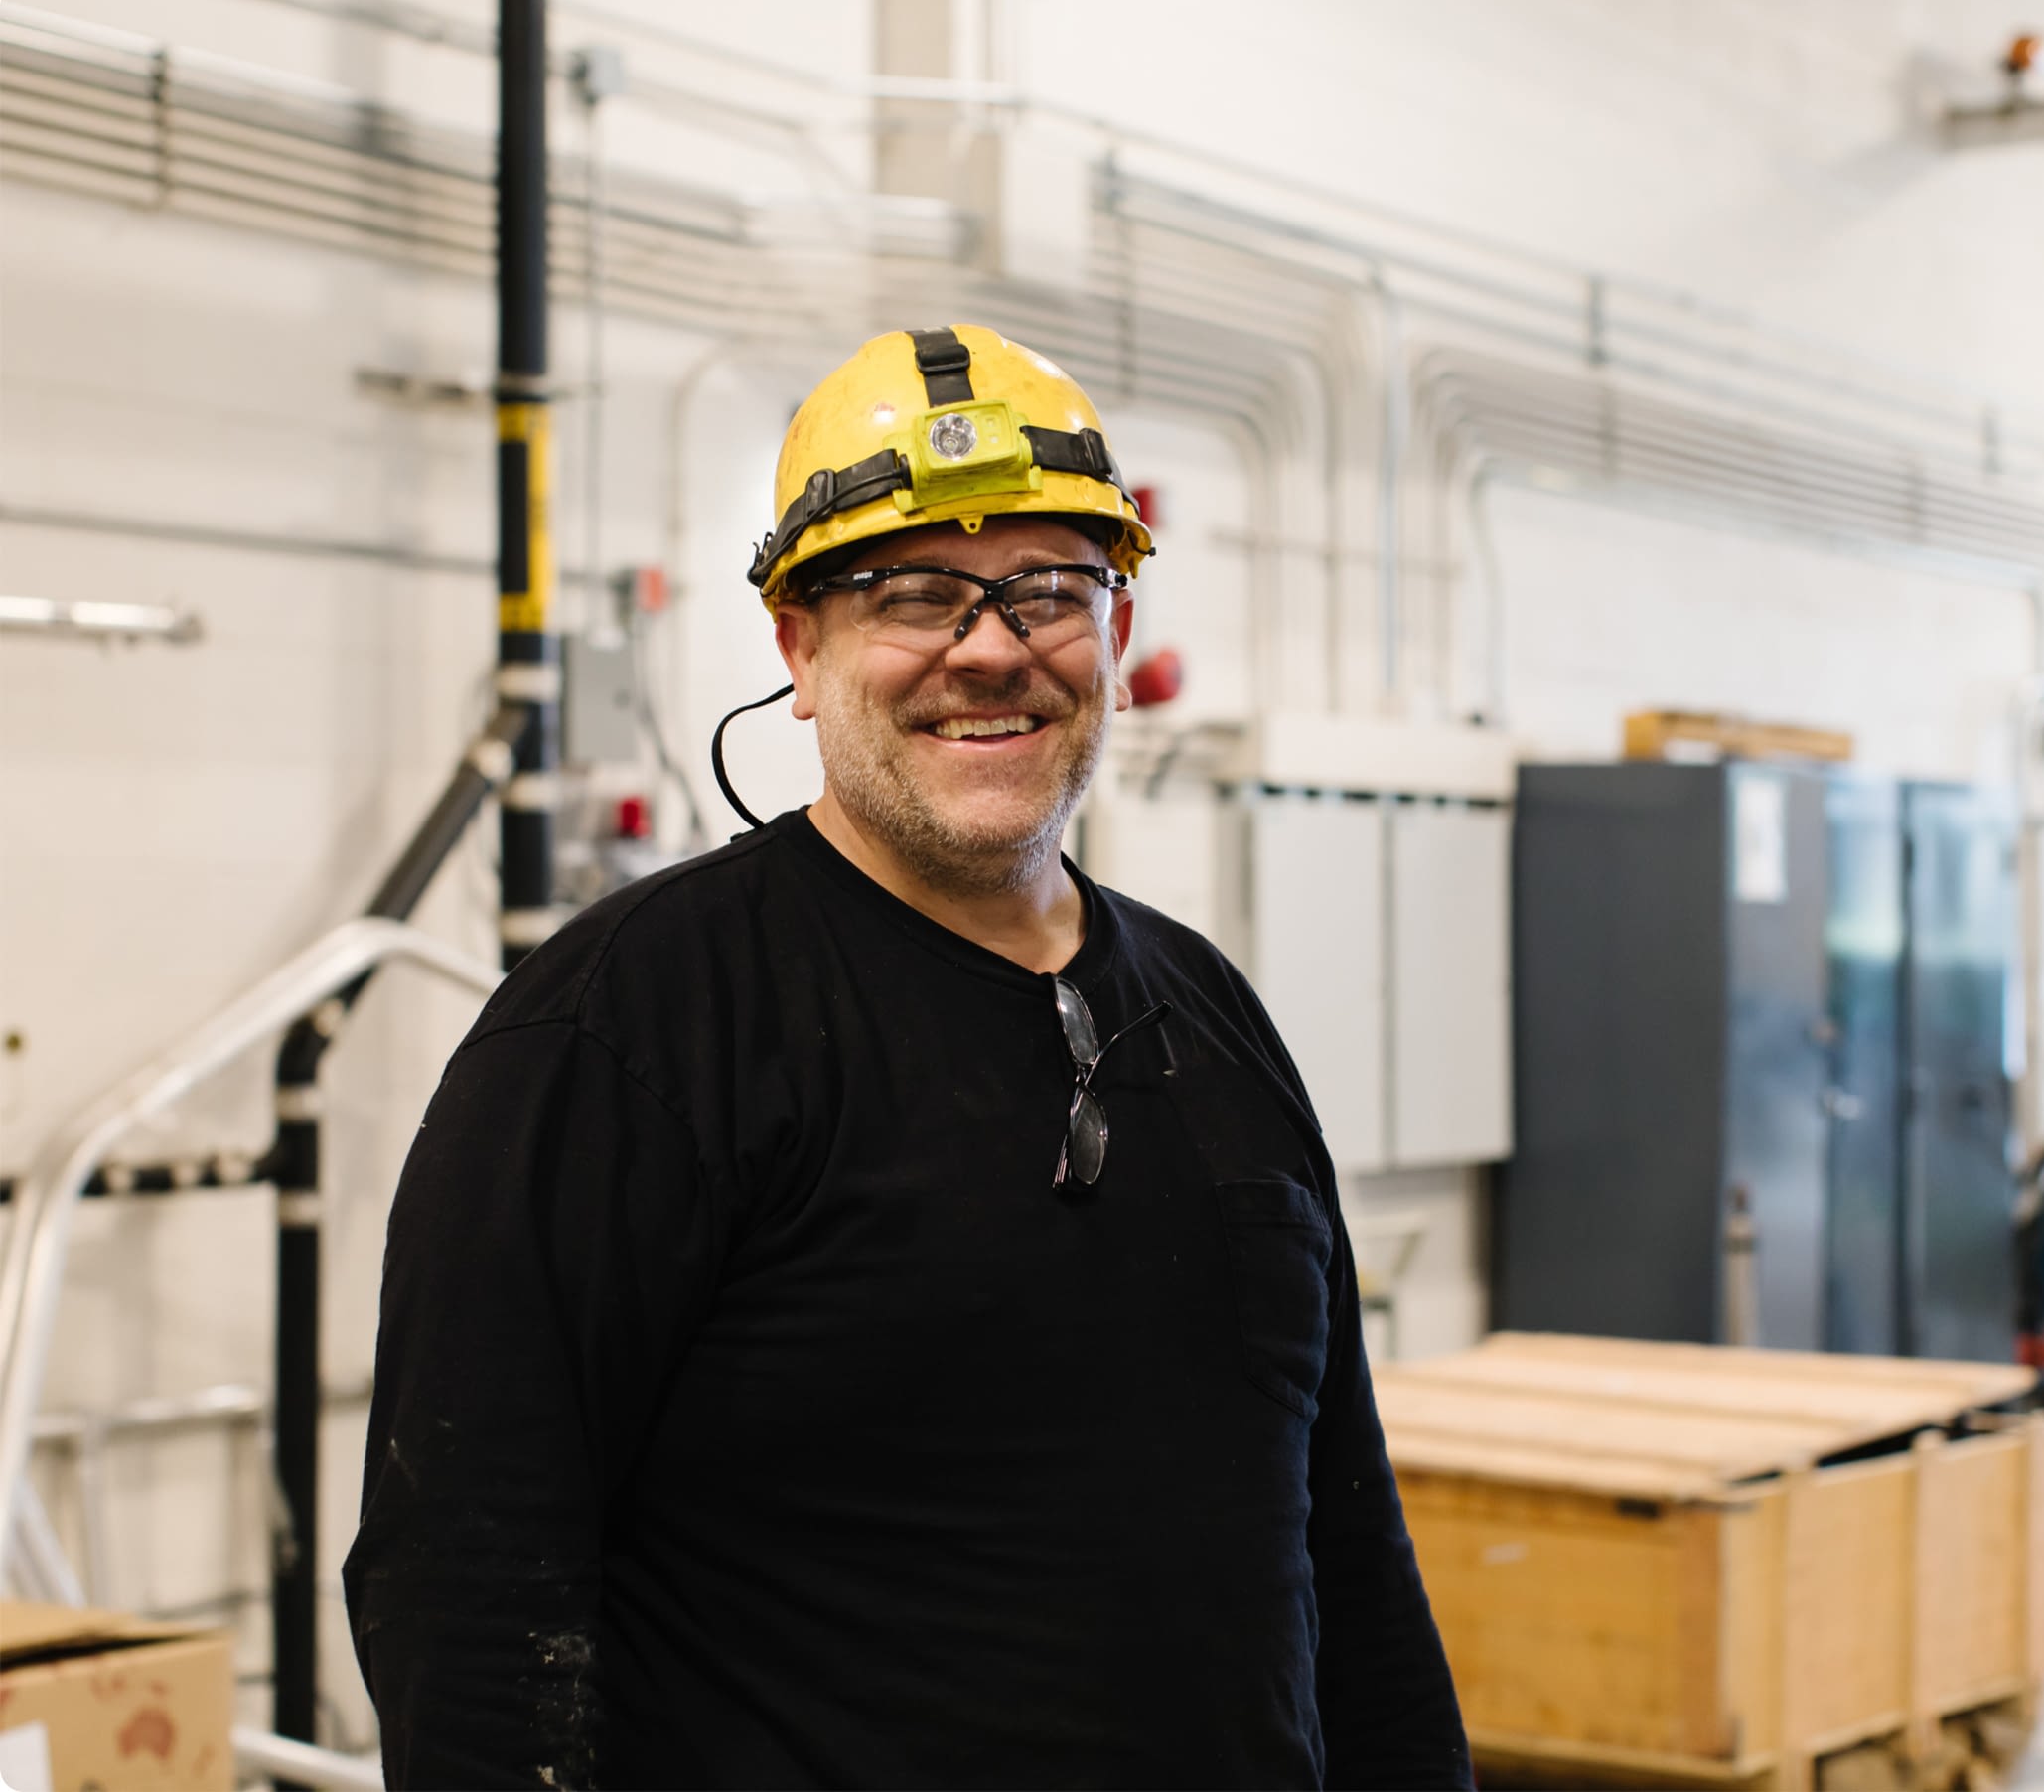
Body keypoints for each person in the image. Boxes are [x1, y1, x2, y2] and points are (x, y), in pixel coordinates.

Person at [344, 324, 1471, 1790]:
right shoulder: (627, 1032)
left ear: (1116, 641)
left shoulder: (1210, 1016)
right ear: (800, 650)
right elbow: (471, 1589)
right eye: (913, 592)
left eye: (1049, 589)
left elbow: (1345, 1542)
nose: (990, 644)